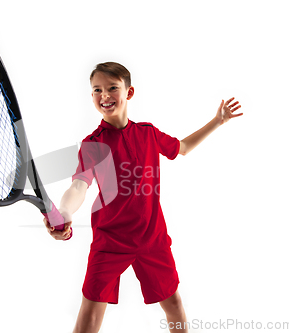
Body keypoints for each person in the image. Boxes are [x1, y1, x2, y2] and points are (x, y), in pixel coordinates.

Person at [43, 62, 243, 333]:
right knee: (89, 317)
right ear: (91, 96)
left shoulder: (148, 133)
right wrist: (65, 213)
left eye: (112, 88)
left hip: (153, 238)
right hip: (110, 241)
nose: (104, 96)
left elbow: (182, 148)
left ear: (129, 92)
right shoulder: (93, 144)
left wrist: (218, 121)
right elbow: (79, 185)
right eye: (97, 90)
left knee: (173, 304)